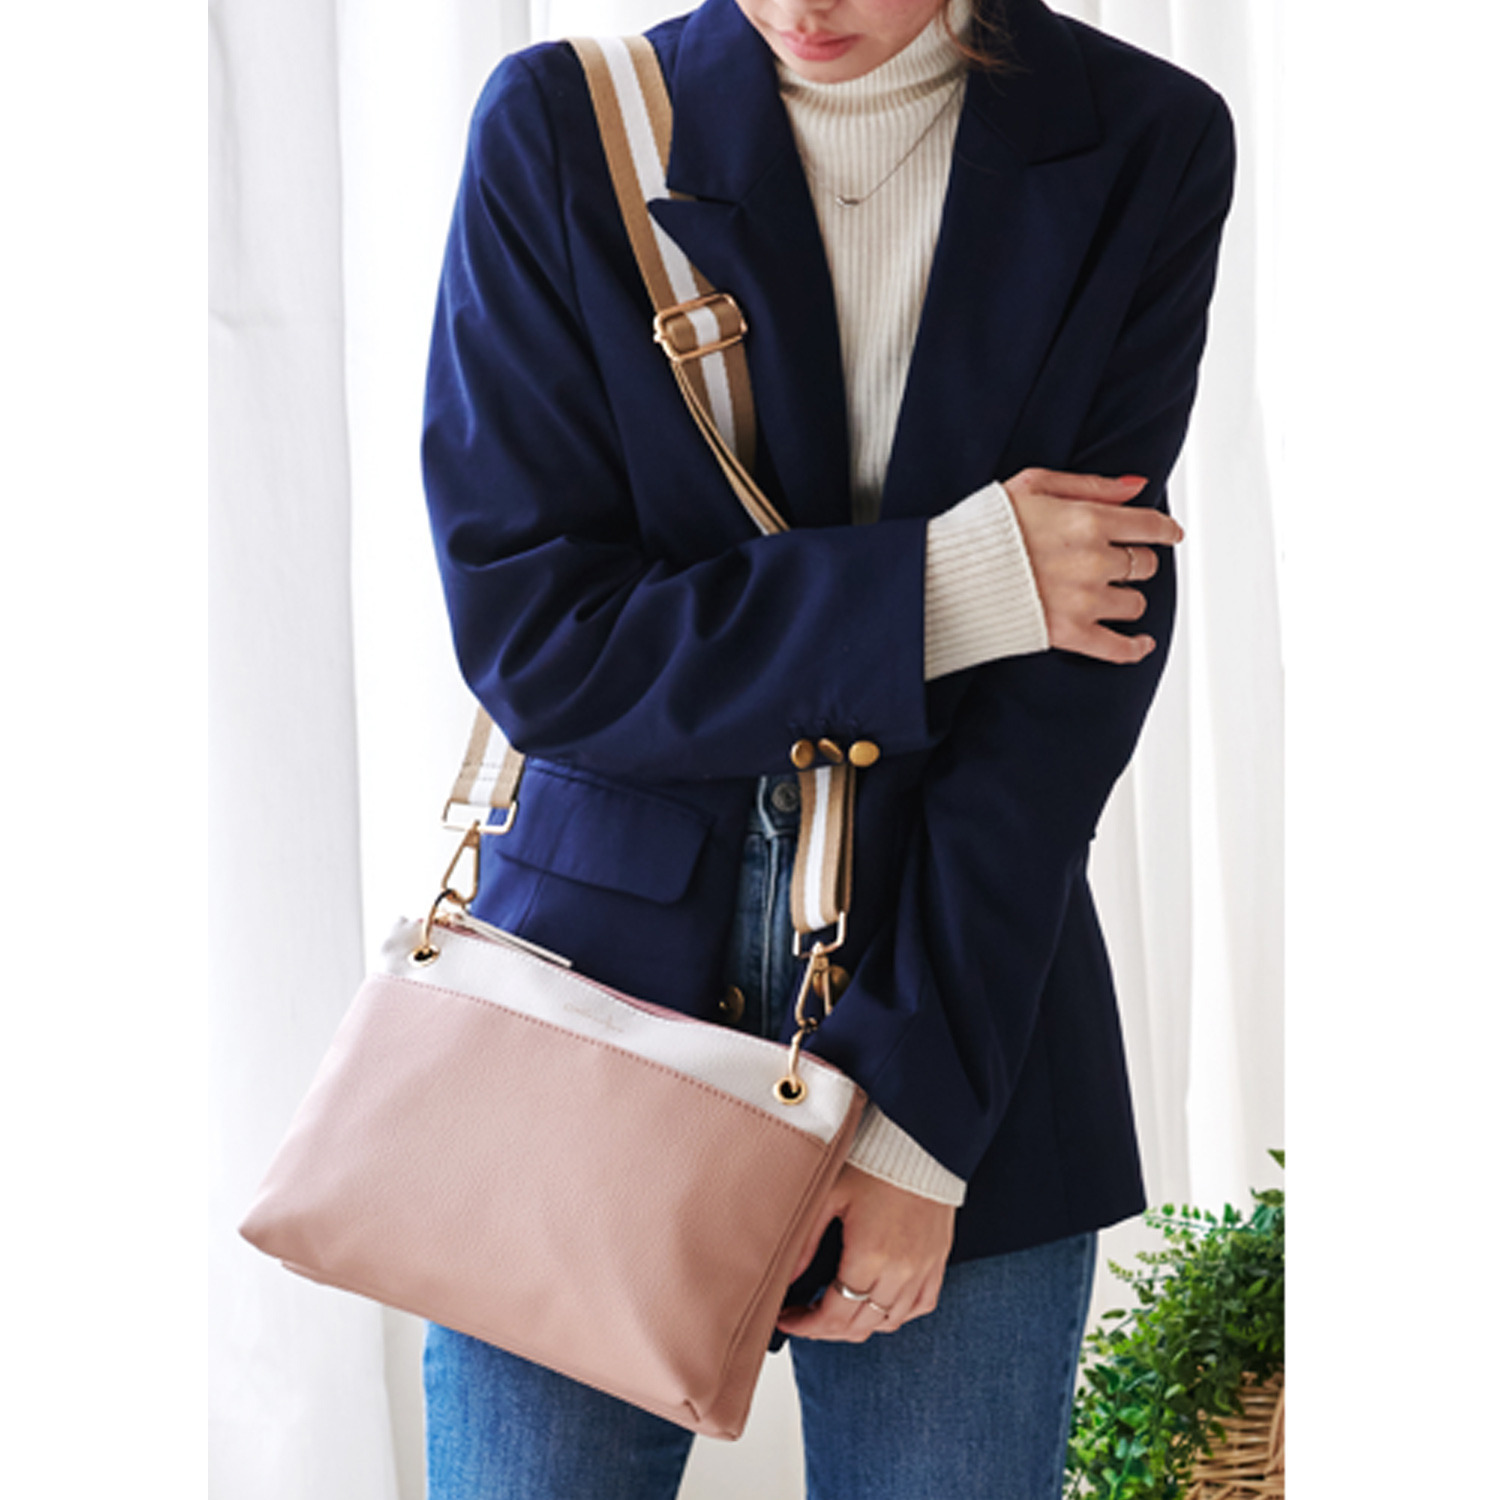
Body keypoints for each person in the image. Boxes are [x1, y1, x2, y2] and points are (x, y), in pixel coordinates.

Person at [419, 0, 1233, 1493]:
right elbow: (542, 642)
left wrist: (917, 1128)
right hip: (589, 1012)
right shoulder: (566, 125)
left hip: (966, 1004)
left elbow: (1079, 667)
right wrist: (948, 587)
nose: (805, 8)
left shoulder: (1140, 140)